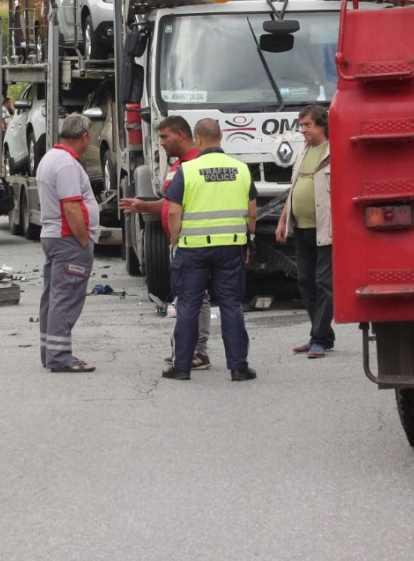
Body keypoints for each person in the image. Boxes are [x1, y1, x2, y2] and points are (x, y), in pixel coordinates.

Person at [163, 118, 258, 382]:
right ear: (222, 136)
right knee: (231, 305)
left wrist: (175, 241)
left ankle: (181, 367)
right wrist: (249, 240)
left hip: (193, 250)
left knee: (189, 306)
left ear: (198, 139)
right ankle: (239, 368)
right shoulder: (241, 170)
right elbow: (252, 213)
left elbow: (173, 212)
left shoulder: (189, 170)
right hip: (230, 248)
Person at [119, 116, 213, 370]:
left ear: (181, 135)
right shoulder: (177, 165)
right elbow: (171, 202)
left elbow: (183, 208)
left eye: (164, 137)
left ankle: (198, 352)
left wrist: (177, 240)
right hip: (180, 243)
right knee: (185, 298)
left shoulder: (195, 164)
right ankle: (185, 350)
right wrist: (144, 205)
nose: (161, 143)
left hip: (189, 243)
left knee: (197, 299)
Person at [36, 114, 100, 372]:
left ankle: (50, 351)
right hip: (68, 238)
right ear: (84, 136)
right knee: (66, 298)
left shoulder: (52, 158)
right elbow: (72, 206)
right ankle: (60, 356)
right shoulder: (66, 164)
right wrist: (84, 241)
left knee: (53, 297)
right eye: (90, 137)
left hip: (55, 236)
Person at [275, 104, 334, 359]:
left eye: (308, 125)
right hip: (303, 229)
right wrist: (283, 219)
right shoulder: (304, 152)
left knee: (324, 282)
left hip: (326, 229)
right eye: (301, 126)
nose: (303, 130)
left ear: (322, 125)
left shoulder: (334, 152)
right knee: (305, 282)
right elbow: (294, 188)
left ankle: (319, 338)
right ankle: (321, 335)